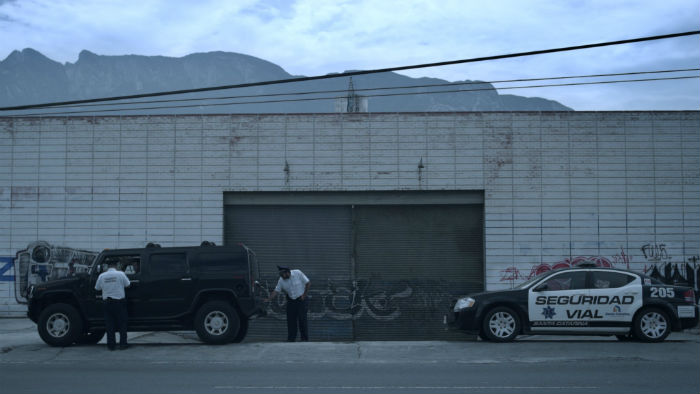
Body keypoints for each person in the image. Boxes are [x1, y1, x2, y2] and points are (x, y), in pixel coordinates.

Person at [266, 266, 310, 342]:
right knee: (291, 321)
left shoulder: (298, 273)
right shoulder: (281, 280)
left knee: (302, 320)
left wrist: (304, 295)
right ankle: (291, 339)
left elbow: (308, 283)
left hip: (301, 300)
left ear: (288, 272)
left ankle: (304, 339)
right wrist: (269, 298)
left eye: (283, 275)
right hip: (291, 301)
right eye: (281, 275)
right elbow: (276, 290)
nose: (283, 277)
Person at [95, 259, 131, 350]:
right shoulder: (121, 274)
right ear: (117, 265)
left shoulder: (102, 276)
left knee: (109, 325)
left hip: (107, 303)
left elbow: (97, 288)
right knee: (122, 324)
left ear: (107, 266)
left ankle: (111, 346)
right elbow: (128, 285)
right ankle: (123, 344)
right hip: (119, 302)